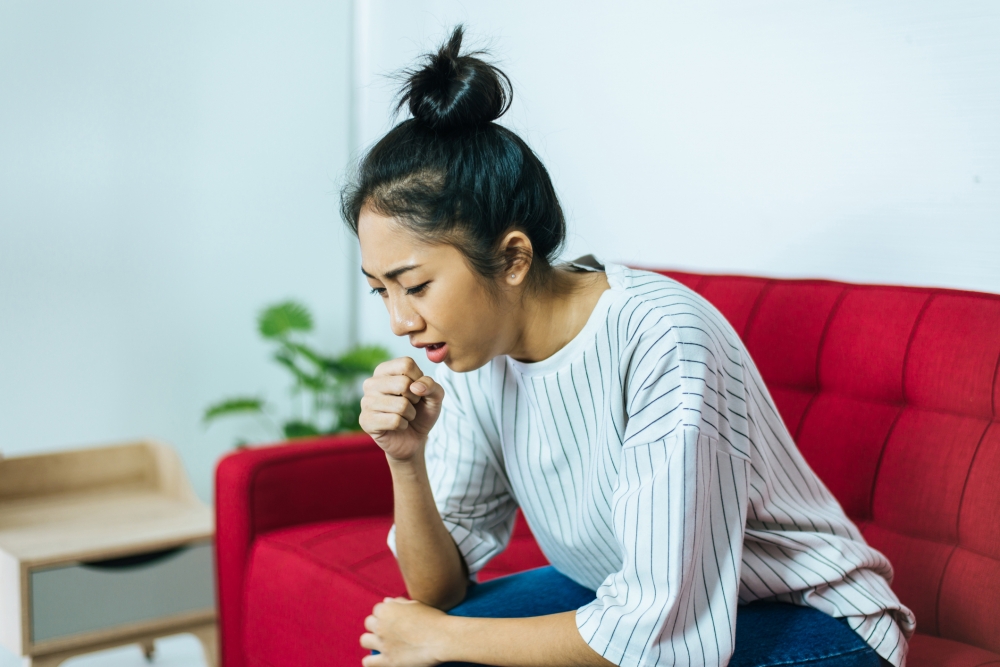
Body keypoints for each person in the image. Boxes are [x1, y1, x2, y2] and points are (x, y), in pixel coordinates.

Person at [342, 25, 915, 667]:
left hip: (814, 617)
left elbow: (659, 636)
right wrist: (405, 458)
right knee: (408, 652)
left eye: (415, 285)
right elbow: (437, 592)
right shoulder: (472, 350)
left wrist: (442, 639)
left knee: (439, 652)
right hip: (628, 592)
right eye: (381, 290)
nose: (400, 321)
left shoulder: (661, 338)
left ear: (512, 258)